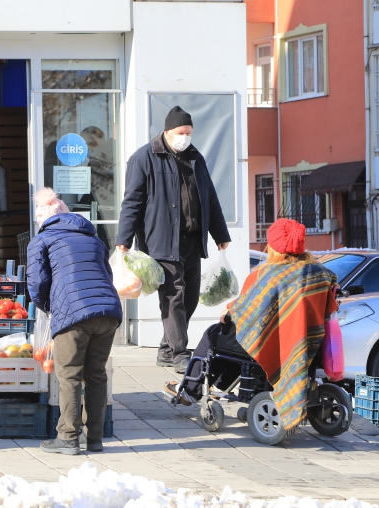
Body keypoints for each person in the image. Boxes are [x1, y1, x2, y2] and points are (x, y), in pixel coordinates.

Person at [165, 218, 338, 433]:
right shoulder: (319, 273)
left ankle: (190, 390)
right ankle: (232, 388)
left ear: (273, 246)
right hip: (304, 341)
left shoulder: (268, 274)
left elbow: (246, 311)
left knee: (215, 335)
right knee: (238, 340)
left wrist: (228, 312)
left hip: (273, 341)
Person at [116, 106, 231, 373]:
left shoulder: (195, 158)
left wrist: (220, 234)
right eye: (181, 132)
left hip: (192, 240)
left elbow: (209, 198)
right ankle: (180, 353)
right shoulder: (144, 157)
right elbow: (132, 201)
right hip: (162, 241)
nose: (186, 137)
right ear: (167, 132)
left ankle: (166, 350)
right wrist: (124, 238)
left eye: (189, 132)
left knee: (189, 298)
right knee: (173, 297)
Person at [27, 188, 122, 456]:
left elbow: (36, 282)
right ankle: (95, 439)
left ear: (43, 220)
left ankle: (68, 438)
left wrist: (48, 307)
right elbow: (106, 274)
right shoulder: (94, 239)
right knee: (96, 375)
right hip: (108, 312)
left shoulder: (42, 240)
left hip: (73, 313)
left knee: (68, 375)